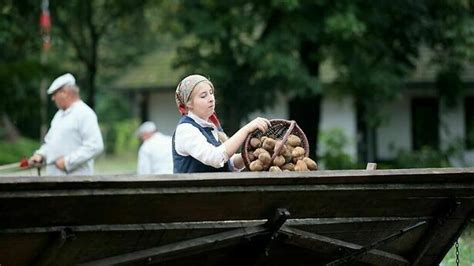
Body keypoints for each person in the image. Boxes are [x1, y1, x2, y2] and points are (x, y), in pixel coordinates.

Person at [173, 74, 270, 173]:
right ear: (188, 103)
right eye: (203, 96)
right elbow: (216, 158)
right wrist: (247, 129)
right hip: (192, 189)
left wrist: (248, 155)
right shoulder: (185, 129)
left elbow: (227, 164)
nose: (211, 98)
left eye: (211, 93)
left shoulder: (211, 127)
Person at [29, 73, 104, 175]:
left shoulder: (85, 113)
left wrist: (68, 161)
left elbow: (95, 145)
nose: (53, 98)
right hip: (55, 180)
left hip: (77, 181)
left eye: (55, 94)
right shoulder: (58, 116)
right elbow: (51, 143)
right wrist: (41, 155)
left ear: (65, 93)